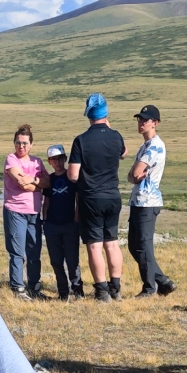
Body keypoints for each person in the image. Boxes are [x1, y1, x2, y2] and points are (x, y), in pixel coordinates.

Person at [68, 93, 127, 302]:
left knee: (94, 245)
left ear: (88, 114)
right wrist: (110, 129)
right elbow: (124, 153)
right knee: (112, 243)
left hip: (91, 198)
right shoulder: (116, 136)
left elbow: (73, 175)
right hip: (113, 196)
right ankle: (116, 287)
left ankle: (102, 291)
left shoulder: (81, 140)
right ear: (106, 113)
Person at [127, 105, 176, 298]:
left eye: (145, 120)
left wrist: (135, 174)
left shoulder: (155, 145)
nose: (141, 123)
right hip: (138, 200)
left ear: (155, 123)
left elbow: (136, 172)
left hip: (148, 201)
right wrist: (135, 174)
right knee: (134, 245)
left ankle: (150, 287)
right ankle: (163, 281)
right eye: (139, 119)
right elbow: (131, 176)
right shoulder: (144, 146)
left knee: (144, 246)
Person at [3, 124, 50, 300]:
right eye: (18, 142)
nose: (21, 146)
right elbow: (22, 183)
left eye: (24, 143)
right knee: (17, 251)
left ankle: (34, 286)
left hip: (34, 212)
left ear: (31, 144)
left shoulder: (37, 162)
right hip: (15, 210)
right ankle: (18, 288)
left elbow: (48, 182)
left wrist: (34, 180)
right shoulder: (11, 159)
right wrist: (38, 186)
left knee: (34, 250)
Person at [42, 144, 82, 300]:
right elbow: (46, 201)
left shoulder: (72, 177)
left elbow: (78, 200)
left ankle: (77, 289)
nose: (57, 162)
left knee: (72, 260)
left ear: (65, 159)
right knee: (56, 261)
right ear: (49, 162)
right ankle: (63, 291)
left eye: (60, 159)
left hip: (70, 224)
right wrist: (45, 220)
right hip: (52, 225)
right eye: (53, 159)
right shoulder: (49, 179)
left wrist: (76, 220)